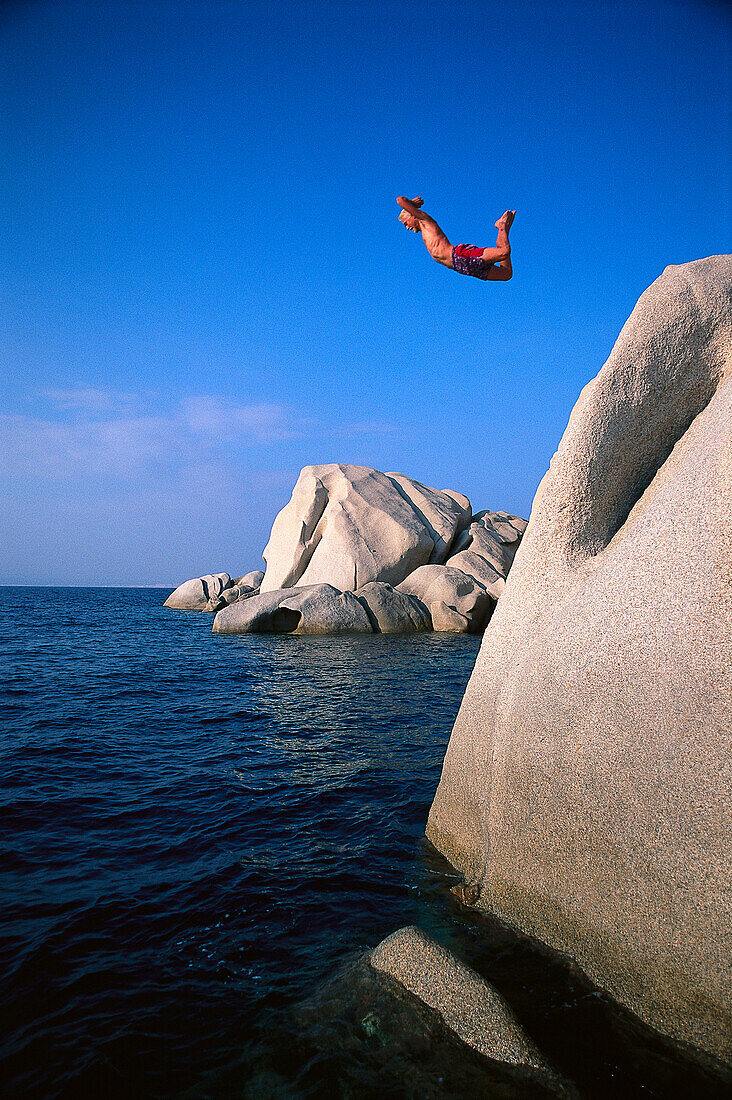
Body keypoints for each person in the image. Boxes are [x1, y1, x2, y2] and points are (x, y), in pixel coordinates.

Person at [396, 196, 515, 281]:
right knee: (506, 274)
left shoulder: (425, 220)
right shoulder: (423, 231)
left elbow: (400, 200)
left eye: (406, 223)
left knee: (504, 252)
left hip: (460, 256)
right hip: (462, 267)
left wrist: (412, 204)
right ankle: (504, 230)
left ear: (412, 215)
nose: (407, 227)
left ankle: (501, 226)